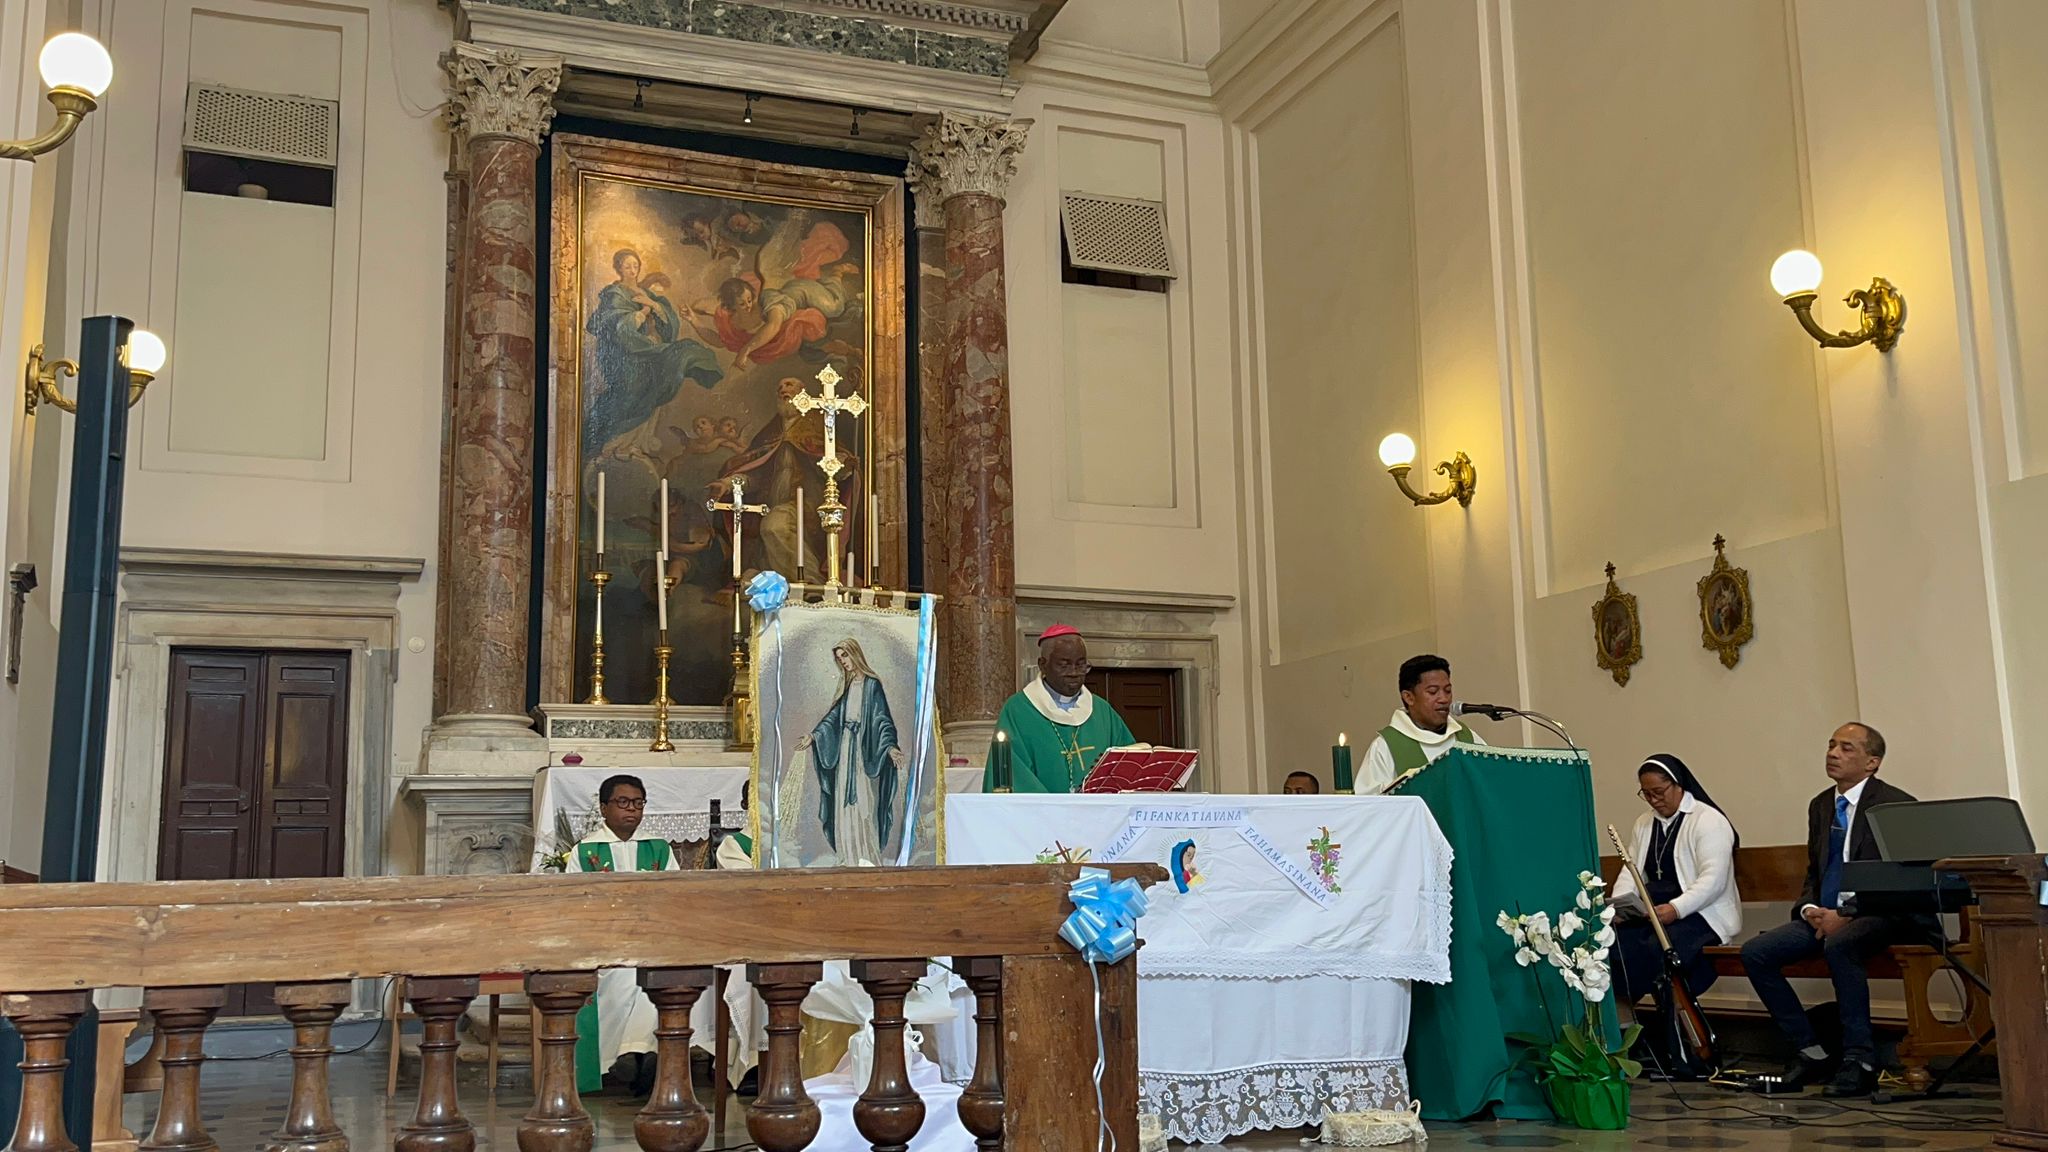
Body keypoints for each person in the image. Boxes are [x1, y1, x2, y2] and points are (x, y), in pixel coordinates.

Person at [1739, 723, 1921, 1097]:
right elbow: (1815, 870)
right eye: (1831, 745)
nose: (1833, 753)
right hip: (1827, 913)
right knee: (1756, 952)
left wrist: (1848, 913)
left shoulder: (1895, 805)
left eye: (1847, 748)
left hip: (1882, 914)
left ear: (1872, 762)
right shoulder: (1821, 805)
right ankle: (1811, 1051)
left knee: (1841, 945)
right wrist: (1809, 908)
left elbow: (1899, 881)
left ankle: (1860, 1060)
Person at [1609, 754, 1741, 1068]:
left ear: (1677, 784)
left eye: (1659, 792)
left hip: (1701, 914)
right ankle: (1629, 1040)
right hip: (1654, 913)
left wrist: (1676, 909)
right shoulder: (1644, 823)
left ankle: (1683, 1049)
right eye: (1646, 794)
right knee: (1612, 948)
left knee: (1660, 952)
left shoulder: (1708, 820)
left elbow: (1713, 880)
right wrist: (1618, 904)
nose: (1654, 800)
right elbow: (1631, 871)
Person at [569, 775, 680, 1095]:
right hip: (604, 944)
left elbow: (675, 896)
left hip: (651, 940)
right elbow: (576, 903)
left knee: (653, 975)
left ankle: (631, 1054)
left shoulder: (658, 848)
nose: (632, 809)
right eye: (623, 802)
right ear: (604, 808)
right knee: (628, 976)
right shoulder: (585, 851)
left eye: (638, 802)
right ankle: (641, 1053)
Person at [794, 638, 906, 867]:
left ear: (855, 653)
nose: (843, 662)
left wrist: (890, 747)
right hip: (846, 748)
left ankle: (866, 855)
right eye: (839, 658)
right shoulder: (846, 687)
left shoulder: (872, 685)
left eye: (845, 655)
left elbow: (882, 719)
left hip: (863, 751)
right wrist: (813, 736)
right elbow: (833, 718)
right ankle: (847, 856)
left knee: (864, 800)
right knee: (843, 801)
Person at [986, 625, 1138, 793]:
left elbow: (1130, 764)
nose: (1074, 672)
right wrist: (1058, 806)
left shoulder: (1102, 711)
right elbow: (1015, 776)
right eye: (1064, 665)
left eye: (1081, 665)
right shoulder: (1018, 710)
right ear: (1042, 665)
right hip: (1043, 809)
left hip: (1099, 809)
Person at [1361, 654, 1485, 793]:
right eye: (1433, 692)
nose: (1444, 699)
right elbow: (1371, 802)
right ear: (1409, 697)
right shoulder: (1385, 747)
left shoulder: (1467, 738)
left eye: (1448, 691)